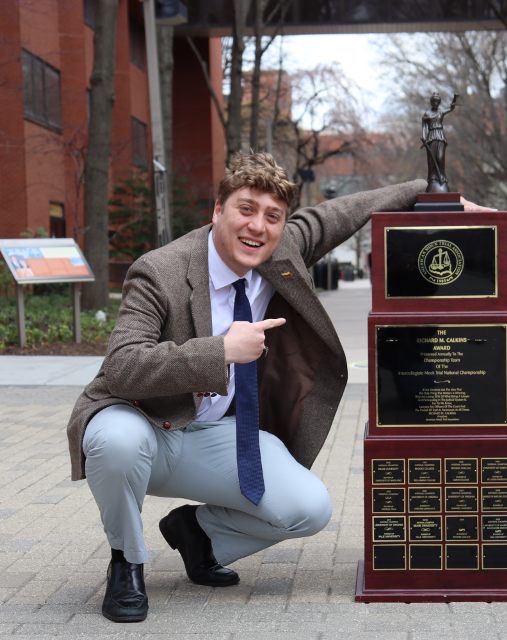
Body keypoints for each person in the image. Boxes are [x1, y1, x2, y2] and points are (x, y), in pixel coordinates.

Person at [65, 152, 429, 622]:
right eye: (246, 209)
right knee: (113, 441)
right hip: (145, 423)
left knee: (309, 508)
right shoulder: (160, 270)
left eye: (272, 216)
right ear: (217, 211)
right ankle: (126, 561)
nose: (258, 226)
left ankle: (199, 534)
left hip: (213, 437)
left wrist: (432, 189)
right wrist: (218, 351)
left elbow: (342, 212)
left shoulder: (282, 252)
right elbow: (122, 366)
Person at [421, 92, 458, 193]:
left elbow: (451, 108)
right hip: (431, 136)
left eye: (437, 102)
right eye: (434, 101)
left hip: (440, 136)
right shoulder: (427, 114)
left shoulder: (441, 112)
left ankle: (442, 176)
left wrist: (454, 99)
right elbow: (424, 127)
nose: (435, 103)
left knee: (440, 157)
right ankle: (433, 179)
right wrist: (424, 138)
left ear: (439, 103)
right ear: (431, 102)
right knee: (431, 159)